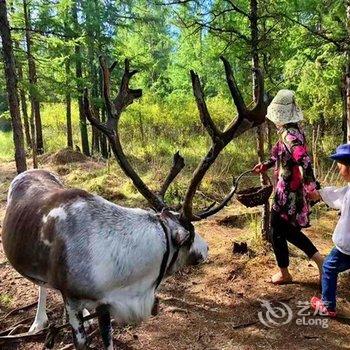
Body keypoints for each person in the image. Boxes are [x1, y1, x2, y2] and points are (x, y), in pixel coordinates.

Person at [254, 89, 323, 284]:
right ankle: (313, 262)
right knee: (284, 230)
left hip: (289, 193)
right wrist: (266, 165)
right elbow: (279, 156)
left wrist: (311, 188)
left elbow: (305, 161)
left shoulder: (290, 136)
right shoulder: (291, 131)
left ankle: (292, 270)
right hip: (287, 190)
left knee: (278, 229)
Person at [308, 144, 350, 317]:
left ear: (347, 168)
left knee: (329, 267)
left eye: (339, 164)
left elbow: (339, 196)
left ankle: (327, 305)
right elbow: (338, 194)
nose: (338, 168)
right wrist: (320, 193)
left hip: (346, 244)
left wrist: (317, 194)